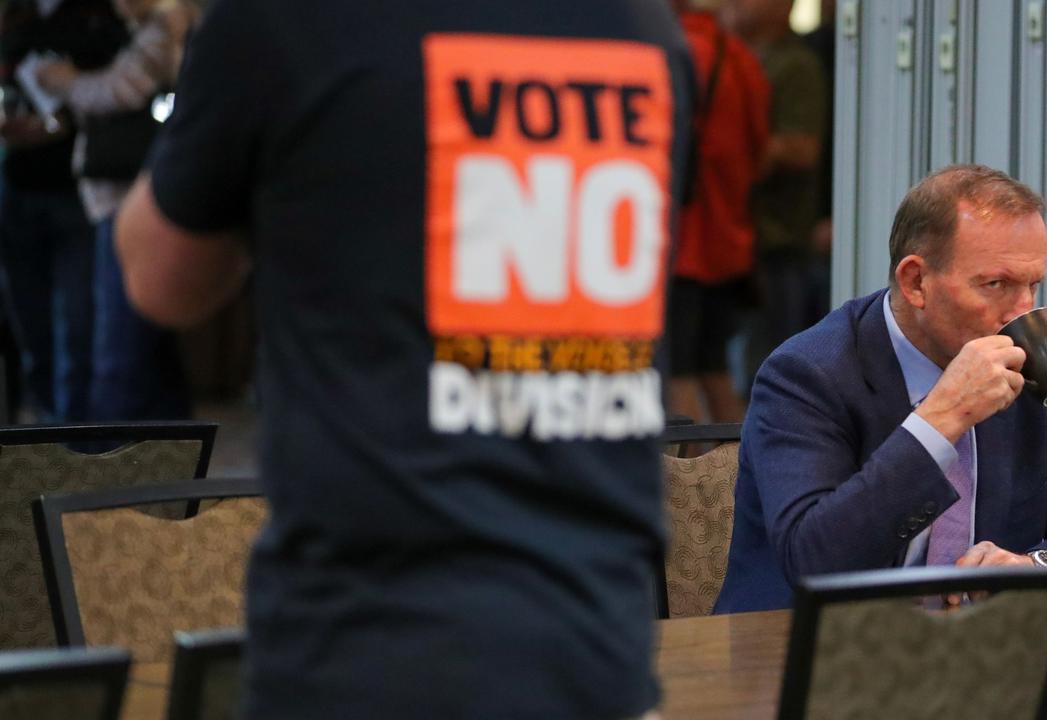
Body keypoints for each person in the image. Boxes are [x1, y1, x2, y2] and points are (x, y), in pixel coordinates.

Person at [115, 1, 693, 718]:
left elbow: (159, 278)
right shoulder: (642, 28)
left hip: (370, 652)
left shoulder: (288, 20)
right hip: (596, 648)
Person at [714, 165, 1047, 614]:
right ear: (916, 282)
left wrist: (1032, 566)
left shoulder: (1022, 368)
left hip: (976, 654)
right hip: (797, 655)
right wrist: (941, 419)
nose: (1022, 311)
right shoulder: (807, 374)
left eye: (1033, 284)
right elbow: (815, 563)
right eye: (996, 284)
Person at [34, 0, 199, 421]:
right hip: (120, 197)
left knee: (118, 357)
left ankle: (109, 474)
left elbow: (124, 88)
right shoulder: (131, 27)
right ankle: (168, 467)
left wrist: (67, 82)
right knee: (141, 351)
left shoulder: (168, 23)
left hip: (132, 199)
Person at [0, 0, 127, 422]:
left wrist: (63, 116)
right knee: (31, 331)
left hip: (78, 193)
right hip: (17, 186)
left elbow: (121, 96)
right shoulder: (16, 16)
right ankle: (45, 442)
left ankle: (75, 446)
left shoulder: (101, 17)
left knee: (78, 332)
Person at [666, 0, 769, 424]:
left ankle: (690, 487)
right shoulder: (740, 57)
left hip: (683, 241)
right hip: (728, 239)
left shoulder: (674, 51)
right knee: (715, 371)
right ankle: (731, 480)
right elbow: (758, 152)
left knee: (677, 375)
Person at [723, 0, 826, 394]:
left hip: (781, 240)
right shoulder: (737, 56)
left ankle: (753, 451)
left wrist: (735, 150)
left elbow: (803, 147)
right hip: (743, 239)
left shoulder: (794, 64)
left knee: (767, 368)